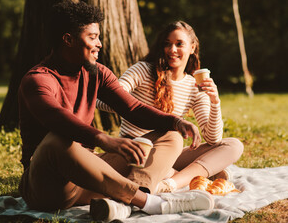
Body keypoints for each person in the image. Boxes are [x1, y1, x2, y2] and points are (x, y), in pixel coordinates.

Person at [17, 2, 216, 222]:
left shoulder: (97, 73)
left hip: (89, 179)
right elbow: (57, 118)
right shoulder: (37, 80)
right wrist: (104, 139)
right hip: (49, 187)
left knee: (171, 134)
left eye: (98, 37)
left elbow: (133, 107)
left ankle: (128, 202)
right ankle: (150, 204)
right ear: (68, 39)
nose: (99, 44)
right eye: (92, 37)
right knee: (57, 140)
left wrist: (176, 122)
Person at [96, 21, 244, 193]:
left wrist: (214, 101)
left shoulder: (194, 85)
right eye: (167, 44)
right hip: (138, 151)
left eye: (179, 44)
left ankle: (169, 184)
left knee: (233, 145)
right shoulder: (143, 70)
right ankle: (191, 176)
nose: (172, 50)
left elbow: (212, 139)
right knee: (173, 134)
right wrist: (133, 108)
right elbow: (104, 101)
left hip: (169, 153)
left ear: (192, 47)